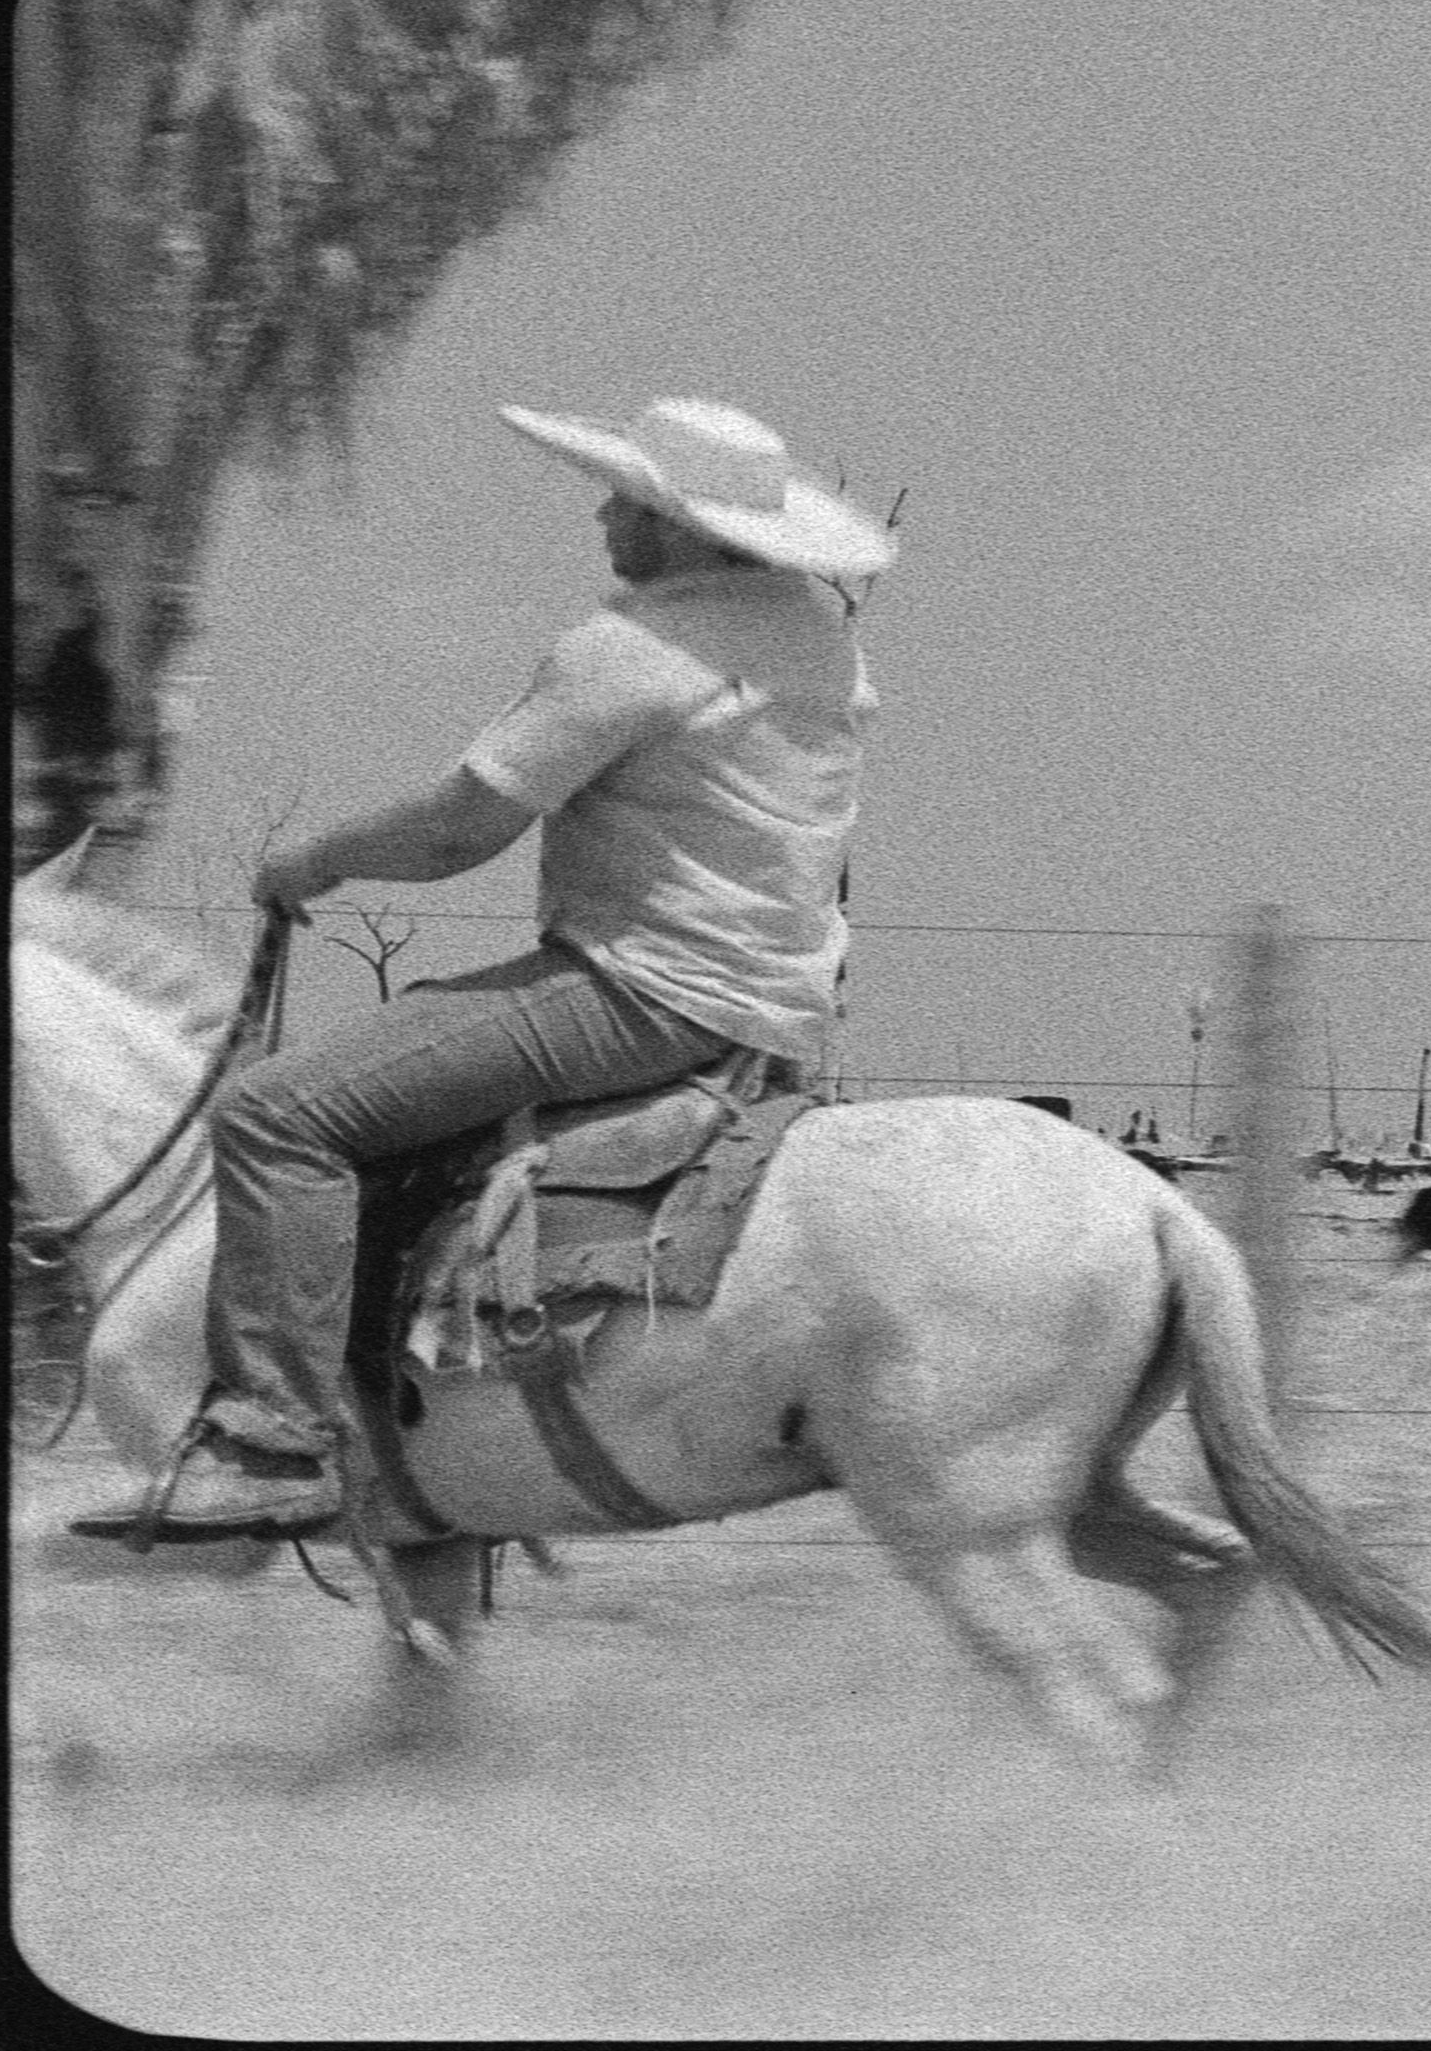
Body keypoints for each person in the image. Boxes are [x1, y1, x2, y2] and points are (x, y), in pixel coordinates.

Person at [70, 398, 890, 1543]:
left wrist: (317, 860)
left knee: (274, 1113)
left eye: (633, 501)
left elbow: (462, 829)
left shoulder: (634, 649)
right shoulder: (815, 633)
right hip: (770, 1009)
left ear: (689, 530)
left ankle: (271, 1437)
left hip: (636, 989)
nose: (607, 513)